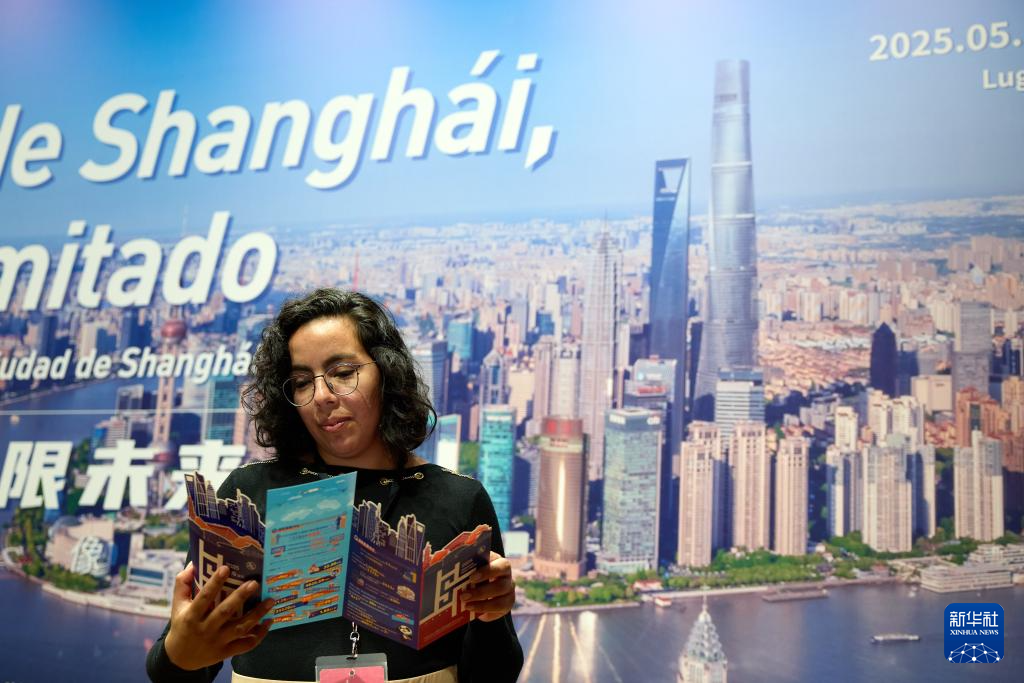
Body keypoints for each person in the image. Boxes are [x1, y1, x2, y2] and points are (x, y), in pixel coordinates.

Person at [146, 289, 523, 682]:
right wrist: (181, 653)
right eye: (301, 382)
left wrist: (491, 616)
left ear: (386, 373)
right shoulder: (249, 495)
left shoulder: (459, 499)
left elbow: (494, 676)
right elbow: (172, 669)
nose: (322, 397)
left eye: (343, 373)